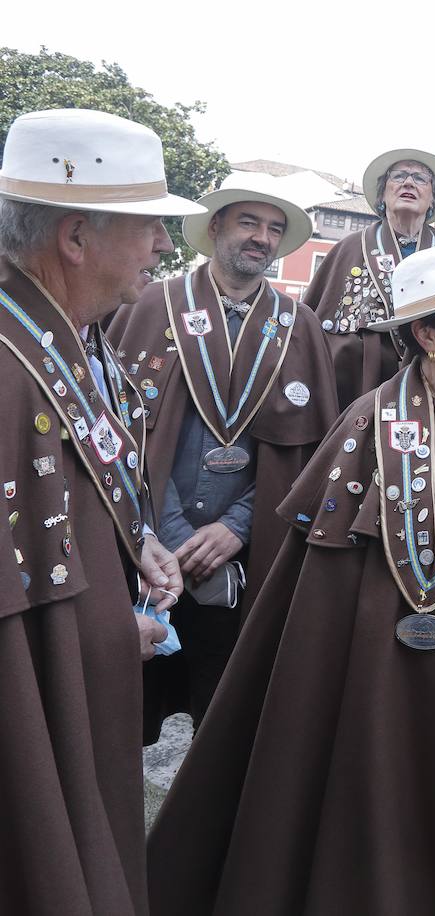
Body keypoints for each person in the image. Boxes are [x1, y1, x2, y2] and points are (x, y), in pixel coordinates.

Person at [146, 246, 435, 916]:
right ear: (426, 334)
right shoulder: (371, 422)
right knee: (400, 825)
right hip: (395, 673)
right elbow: (333, 586)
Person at [0, 107, 191, 916]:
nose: (164, 247)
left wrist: (136, 537)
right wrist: (118, 628)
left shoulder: (63, 334)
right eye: (148, 226)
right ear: (75, 237)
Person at [107, 171, 339, 743]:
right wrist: (168, 529)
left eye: (274, 229)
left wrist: (237, 527)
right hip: (149, 550)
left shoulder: (299, 325)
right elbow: (117, 432)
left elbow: (312, 455)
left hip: (247, 555)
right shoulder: (152, 304)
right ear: (215, 228)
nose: (262, 237)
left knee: (229, 717)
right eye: (249, 222)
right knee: (127, 712)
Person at [304, 146, 435, 408]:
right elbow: (309, 330)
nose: (408, 182)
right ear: (382, 194)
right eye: (398, 176)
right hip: (356, 393)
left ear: (433, 198)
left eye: (420, 178)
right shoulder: (349, 249)